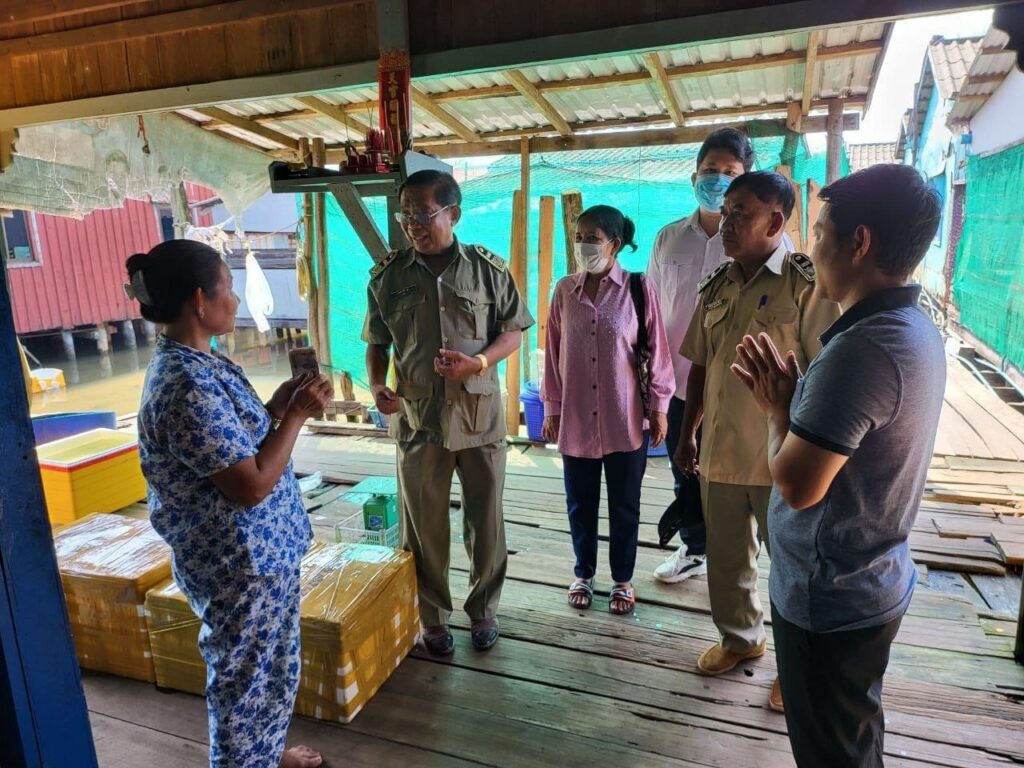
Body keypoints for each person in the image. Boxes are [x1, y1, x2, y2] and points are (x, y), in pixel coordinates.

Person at [731, 164, 944, 766]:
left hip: (830, 598)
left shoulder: (862, 350)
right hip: (873, 578)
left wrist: (778, 411)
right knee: (853, 735)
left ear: (860, 242)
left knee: (831, 751)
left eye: (821, 231)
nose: (812, 245)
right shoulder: (913, 327)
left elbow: (797, 485)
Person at [127, 240, 331, 768]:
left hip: (259, 556)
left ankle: (264, 755)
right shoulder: (186, 384)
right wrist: (297, 416)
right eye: (229, 288)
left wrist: (275, 408)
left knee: (271, 671)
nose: (236, 300)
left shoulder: (200, 363)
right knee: (245, 682)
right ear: (200, 300)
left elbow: (230, 445)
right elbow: (250, 485)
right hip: (237, 565)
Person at [676, 171, 839, 708]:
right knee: (726, 562)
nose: (726, 222)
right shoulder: (716, 285)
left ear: (775, 221)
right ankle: (740, 639)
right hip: (720, 454)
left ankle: (796, 668)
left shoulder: (806, 283)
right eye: (725, 212)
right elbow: (700, 365)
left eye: (740, 213)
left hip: (782, 458)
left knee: (793, 570)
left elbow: (826, 372)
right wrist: (687, 431)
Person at [363, 170, 534, 656]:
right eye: (406, 214)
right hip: (418, 421)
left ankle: (484, 610)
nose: (412, 224)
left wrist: (477, 362)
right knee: (423, 526)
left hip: (479, 417)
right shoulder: (388, 276)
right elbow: (377, 343)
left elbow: (512, 332)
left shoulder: (488, 270)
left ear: (453, 214)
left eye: (423, 213)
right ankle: (432, 617)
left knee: (487, 520)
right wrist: (377, 386)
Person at [647, 128, 792, 584]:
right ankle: (696, 549)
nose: (717, 179)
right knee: (686, 469)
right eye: (710, 170)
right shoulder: (669, 238)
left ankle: (757, 561)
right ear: (694, 175)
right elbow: (652, 309)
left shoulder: (776, 249)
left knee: (749, 477)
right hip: (679, 381)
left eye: (730, 172)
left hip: (744, 391)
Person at [541, 205, 674, 615]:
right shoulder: (565, 291)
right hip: (577, 417)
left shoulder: (638, 288)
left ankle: (622, 580)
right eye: (579, 237)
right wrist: (552, 408)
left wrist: (660, 407)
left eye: (593, 238)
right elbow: (553, 353)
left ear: (614, 244)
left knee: (624, 504)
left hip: (625, 417)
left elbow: (657, 350)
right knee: (580, 503)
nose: (584, 245)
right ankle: (583, 573)